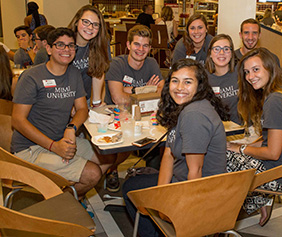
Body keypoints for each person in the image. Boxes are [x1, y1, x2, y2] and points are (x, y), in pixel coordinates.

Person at [122, 58, 229, 237]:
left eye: (188, 82)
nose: (180, 87)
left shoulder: (194, 115)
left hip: (200, 194)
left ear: (199, 86)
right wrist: (161, 194)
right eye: (175, 80)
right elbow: (169, 154)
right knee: (133, 185)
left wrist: (184, 214)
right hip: (180, 182)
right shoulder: (183, 108)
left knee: (131, 188)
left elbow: (196, 172)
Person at [11, 28, 114, 199]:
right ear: (49, 49)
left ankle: (69, 198)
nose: (66, 50)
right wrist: (54, 146)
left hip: (61, 138)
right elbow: (17, 121)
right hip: (30, 149)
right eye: (60, 45)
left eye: (71, 46)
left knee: (107, 157)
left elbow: (82, 108)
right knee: (92, 173)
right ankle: (65, 202)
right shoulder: (32, 77)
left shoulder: (73, 73)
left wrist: (71, 128)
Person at [227, 47, 282, 227]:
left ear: (270, 68)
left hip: (278, 176)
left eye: (256, 69)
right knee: (229, 151)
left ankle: (217, 217)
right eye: (247, 72)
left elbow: (273, 153)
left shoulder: (275, 101)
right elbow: (271, 139)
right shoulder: (280, 93)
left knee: (217, 158)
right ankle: (258, 201)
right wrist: (240, 145)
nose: (250, 76)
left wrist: (241, 148)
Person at [103, 24, 164, 192]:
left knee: (160, 141)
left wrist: (129, 91)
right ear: (128, 45)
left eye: (145, 45)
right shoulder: (117, 64)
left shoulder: (151, 63)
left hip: (144, 116)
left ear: (150, 48)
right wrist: (143, 89)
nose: (140, 49)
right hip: (116, 116)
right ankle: (112, 170)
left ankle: (153, 179)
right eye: (136, 44)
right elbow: (118, 98)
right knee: (125, 146)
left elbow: (161, 91)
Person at [68, 5, 110, 107]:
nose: (90, 27)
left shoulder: (100, 44)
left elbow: (98, 72)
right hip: (63, 99)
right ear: (76, 21)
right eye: (86, 22)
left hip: (85, 100)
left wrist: (96, 102)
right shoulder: (65, 44)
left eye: (95, 25)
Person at [205, 34, 240, 125]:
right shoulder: (203, 78)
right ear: (210, 53)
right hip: (215, 130)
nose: (221, 53)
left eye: (226, 49)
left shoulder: (241, 72)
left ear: (232, 53)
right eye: (216, 49)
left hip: (241, 130)